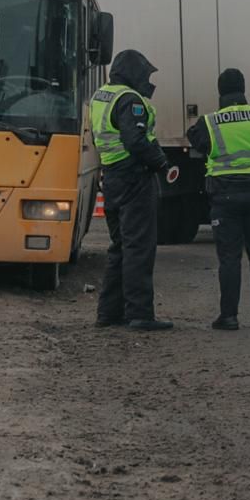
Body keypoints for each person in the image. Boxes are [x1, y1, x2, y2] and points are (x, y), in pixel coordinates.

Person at [187, 68, 250, 331]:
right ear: (244, 89)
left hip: (224, 197)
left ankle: (229, 317)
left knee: (229, 258)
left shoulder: (209, 122)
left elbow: (196, 142)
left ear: (220, 91)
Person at [91, 50, 174, 331]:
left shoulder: (101, 96)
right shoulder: (130, 100)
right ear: (133, 73)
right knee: (139, 247)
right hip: (134, 178)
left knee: (120, 247)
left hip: (112, 176)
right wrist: (161, 163)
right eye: (145, 75)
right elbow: (136, 140)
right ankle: (140, 314)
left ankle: (109, 313)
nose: (147, 81)